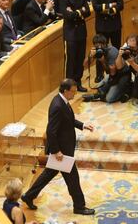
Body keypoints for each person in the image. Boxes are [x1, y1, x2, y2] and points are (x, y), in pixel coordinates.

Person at [21, 79, 95, 215]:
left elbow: (68, 120)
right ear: (65, 91)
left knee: (49, 174)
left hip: (63, 149)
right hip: (62, 151)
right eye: (73, 91)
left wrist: (83, 125)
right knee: (73, 179)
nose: (75, 93)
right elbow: (51, 131)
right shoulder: (57, 106)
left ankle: (29, 196)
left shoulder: (62, 102)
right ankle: (79, 206)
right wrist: (56, 151)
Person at [91, 0, 124, 83]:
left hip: (115, 25)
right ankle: (99, 74)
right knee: (100, 50)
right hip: (102, 26)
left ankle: (117, 72)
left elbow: (120, 5)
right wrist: (111, 5)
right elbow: (96, 7)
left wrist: (106, 9)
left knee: (116, 49)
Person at [58, 0, 91, 93]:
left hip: (81, 33)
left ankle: (78, 83)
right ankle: (68, 87)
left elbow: (87, 11)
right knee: (70, 61)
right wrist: (80, 11)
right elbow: (68, 16)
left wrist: (75, 12)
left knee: (80, 59)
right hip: (70, 34)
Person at [83, 34, 131, 103]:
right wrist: (90, 56)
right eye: (97, 45)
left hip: (122, 75)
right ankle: (104, 93)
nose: (99, 47)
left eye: (101, 45)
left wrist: (102, 61)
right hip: (112, 76)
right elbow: (85, 65)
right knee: (99, 87)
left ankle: (128, 89)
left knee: (109, 99)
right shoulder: (96, 51)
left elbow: (112, 73)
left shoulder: (112, 51)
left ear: (105, 44)